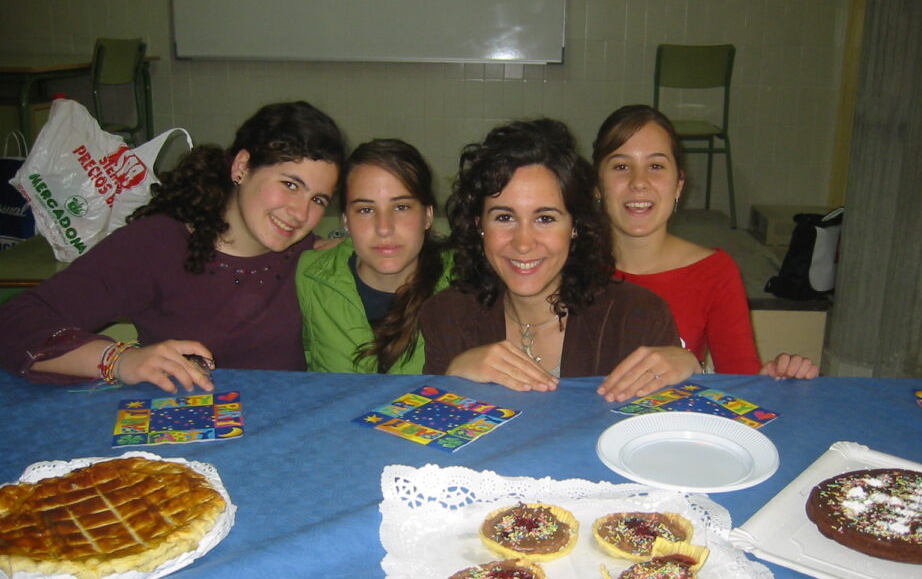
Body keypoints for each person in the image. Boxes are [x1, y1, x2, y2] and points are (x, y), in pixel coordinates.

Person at [0, 101, 345, 392]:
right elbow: (15, 325)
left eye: (318, 199)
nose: (300, 213)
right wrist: (119, 360)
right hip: (183, 445)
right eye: (289, 184)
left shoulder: (311, 257)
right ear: (242, 167)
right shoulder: (159, 245)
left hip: (289, 439)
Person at [420, 118, 700, 401]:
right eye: (504, 217)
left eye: (545, 218)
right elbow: (425, 436)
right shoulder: (447, 316)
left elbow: (671, 431)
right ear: (479, 224)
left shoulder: (638, 317)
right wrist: (451, 379)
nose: (523, 243)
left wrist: (695, 374)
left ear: (575, 225)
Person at [593, 104, 819, 379]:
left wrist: (775, 380)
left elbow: (740, 381)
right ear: (597, 186)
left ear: (678, 185)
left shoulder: (714, 272)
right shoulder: (568, 266)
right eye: (621, 166)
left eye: (655, 166)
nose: (639, 182)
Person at [296, 138, 450, 374]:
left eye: (401, 207)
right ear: (346, 220)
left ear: (428, 215)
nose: (384, 228)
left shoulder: (465, 285)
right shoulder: (309, 277)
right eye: (366, 210)